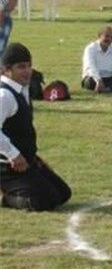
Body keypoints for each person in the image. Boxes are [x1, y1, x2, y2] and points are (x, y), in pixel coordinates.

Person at [0, 43, 71, 211]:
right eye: (21, 67)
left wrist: (34, 157)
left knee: (63, 193)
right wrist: (14, 154)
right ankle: (3, 196)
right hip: (7, 165)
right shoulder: (4, 95)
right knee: (45, 201)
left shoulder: (22, 89)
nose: (27, 71)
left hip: (25, 161)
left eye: (29, 66)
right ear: (6, 70)